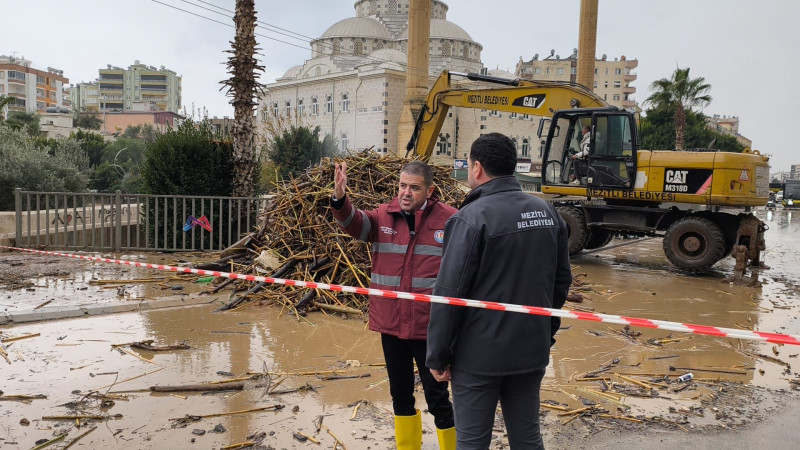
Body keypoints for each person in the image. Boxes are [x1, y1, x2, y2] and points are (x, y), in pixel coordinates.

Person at [426, 132, 573, 449]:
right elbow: (561, 282)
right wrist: (544, 334)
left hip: (478, 358)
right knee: (528, 438)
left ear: (476, 168)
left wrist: (437, 354)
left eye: (468, 165)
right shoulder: (548, 213)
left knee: (472, 442)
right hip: (531, 351)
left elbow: (449, 293)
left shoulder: (470, 218)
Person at [330, 160, 457, 450]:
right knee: (400, 395)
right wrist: (339, 198)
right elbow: (353, 224)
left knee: (438, 399)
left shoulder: (450, 220)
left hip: (430, 328)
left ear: (430, 190)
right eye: (402, 186)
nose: (406, 192)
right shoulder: (382, 217)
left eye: (414, 187)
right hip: (392, 326)